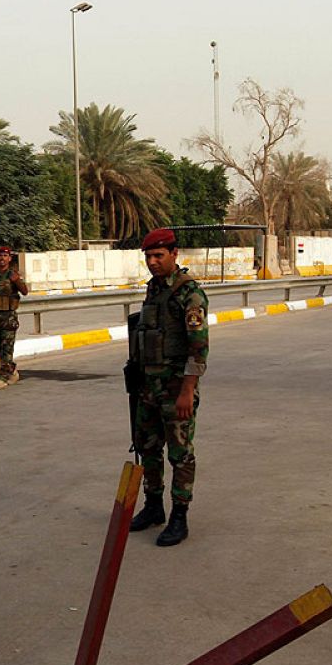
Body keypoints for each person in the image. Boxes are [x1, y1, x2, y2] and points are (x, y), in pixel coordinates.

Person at [125, 229, 208, 547]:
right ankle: (154, 506)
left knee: (180, 455)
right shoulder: (153, 290)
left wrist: (188, 390)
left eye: (159, 255)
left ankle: (179, 517)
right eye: (148, 256)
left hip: (176, 389)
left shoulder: (189, 294)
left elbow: (198, 347)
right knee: (148, 449)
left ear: (175, 254)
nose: (152, 261)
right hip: (149, 387)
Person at [0, 246, 28, 389]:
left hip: (9, 317)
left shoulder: (13, 275)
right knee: (0, 348)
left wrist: (17, 281)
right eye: (0, 256)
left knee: (7, 348)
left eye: (5, 256)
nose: (2, 258)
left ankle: (3, 377)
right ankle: (12, 371)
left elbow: (25, 292)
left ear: (9, 258)